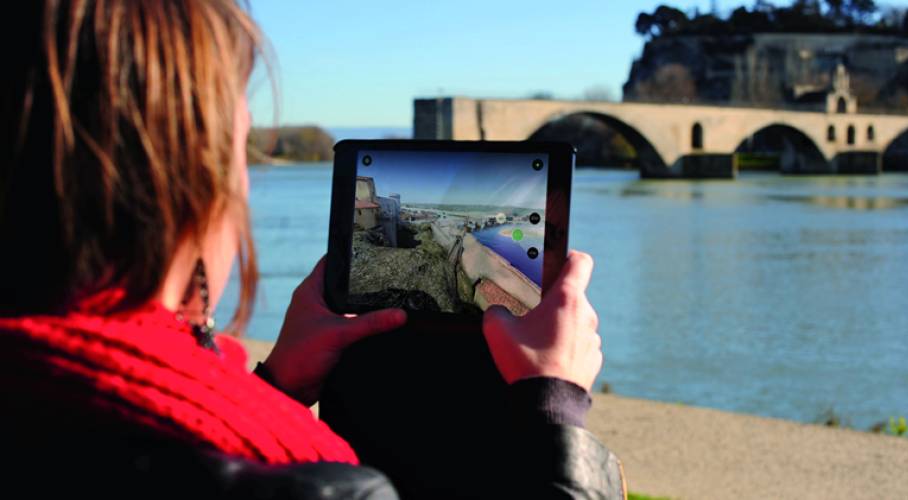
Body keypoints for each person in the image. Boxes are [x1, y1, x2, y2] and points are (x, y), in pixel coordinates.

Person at [0, 1, 625, 498]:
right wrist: (555, 411)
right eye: (239, 152)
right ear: (183, 180)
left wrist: (272, 387)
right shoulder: (313, 482)